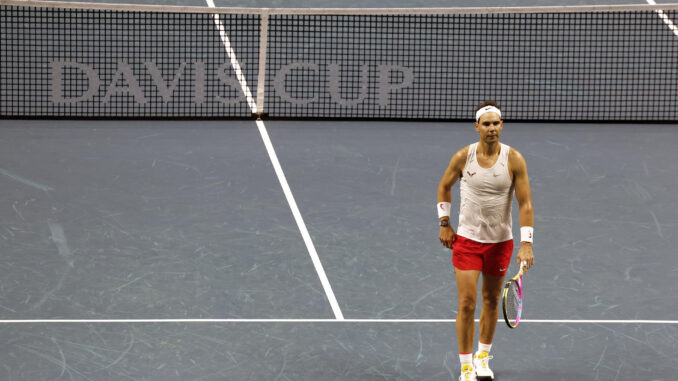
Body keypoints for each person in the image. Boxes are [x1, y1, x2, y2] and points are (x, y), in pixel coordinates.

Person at [437, 101, 535, 381]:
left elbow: (525, 202)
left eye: (497, 123)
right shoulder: (462, 157)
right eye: (487, 124)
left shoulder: (514, 159)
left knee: (492, 300)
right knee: (467, 303)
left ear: (501, 125)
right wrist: (444, 223)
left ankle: (483, 358)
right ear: (477, 126)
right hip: (467, 241)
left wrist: (526, 242)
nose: (492, 128)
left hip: (499, 243)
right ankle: (466, 365)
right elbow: (444, 185)